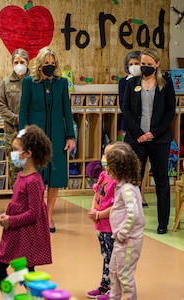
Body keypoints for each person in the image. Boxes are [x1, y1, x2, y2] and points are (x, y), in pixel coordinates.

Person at [19, 46, 75, 233]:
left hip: (58, 136)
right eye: (46, 63)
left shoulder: (61, 83)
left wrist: (70, 136)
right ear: (39, 64)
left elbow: (67, 111)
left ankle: (48, 216)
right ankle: (36, 214)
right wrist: (23, 137)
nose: (50, 66)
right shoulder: (29, 82)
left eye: (53, 63)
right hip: (36, 137)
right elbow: (23, 111)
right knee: (37, 178)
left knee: (55, 178)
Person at [0, 124, 53, 287]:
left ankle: (28, 296)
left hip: (27, 235)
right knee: (2, 269)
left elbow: (34, 213)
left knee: (24, 275)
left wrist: (11, 220)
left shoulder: (34, 181)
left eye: (16, 149)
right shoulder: (21, 175)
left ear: (28, 154)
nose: (12, 154)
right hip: (16, 232)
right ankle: (11, 295)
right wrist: (7, 215)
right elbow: (18, 203)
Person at [122, 48, 176, 234]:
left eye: (148, 65)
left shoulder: (166, 84)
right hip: (136, 139)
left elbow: (170, 111)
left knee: (162, 179)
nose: (144, 67)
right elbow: (126, 109)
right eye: (142, 64)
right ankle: (133, 220)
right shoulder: (132, 83)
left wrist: (153, 132)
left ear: (157, 64)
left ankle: (163, 223)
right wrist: (139, 133)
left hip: (159, 139)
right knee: (133, 180)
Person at [105, 141, 145, 300]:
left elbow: (133, 213)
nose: (106, 169)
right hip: (121, 239)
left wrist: (122, 233)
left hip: (128, 240)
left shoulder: (127, 189)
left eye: (109, 165)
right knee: (114, 272)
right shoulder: (122, 186)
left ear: (118, 168)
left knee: (125, 276)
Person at [86, 143, 118, 300]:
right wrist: (93, 211)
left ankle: (114, 289)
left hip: (110, 226)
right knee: (106, 256)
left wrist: (99, 215)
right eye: (104, 154)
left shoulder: (118, 182)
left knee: (113, 259)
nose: (104, 159)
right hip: (100, 226)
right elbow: (97, 194)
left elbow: (116, 206)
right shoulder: (103, 176)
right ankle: (104, 284)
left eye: (108, 156)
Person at [118, 51, 149, 208]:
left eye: (136, 63)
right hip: (130, 127)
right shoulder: (124, 82)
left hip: (147, 128)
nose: (134, 67)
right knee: (130, 163)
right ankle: (129, 197)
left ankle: (141, 195)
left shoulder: (148, 81)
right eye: (130, 65)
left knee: (143, 164)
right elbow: (124, 105)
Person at [0, 48, 30, 189]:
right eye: (16, 62)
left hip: (30, 132)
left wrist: (27, 121)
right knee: (14, 168)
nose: (19, 65)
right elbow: (1, 105)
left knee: (30, 166)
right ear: (12, 64)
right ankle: (15, 198)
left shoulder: (34, 82)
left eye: (22, 62)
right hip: (12, 132)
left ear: (28, 63)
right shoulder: (6, 83)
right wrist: (17, 119)